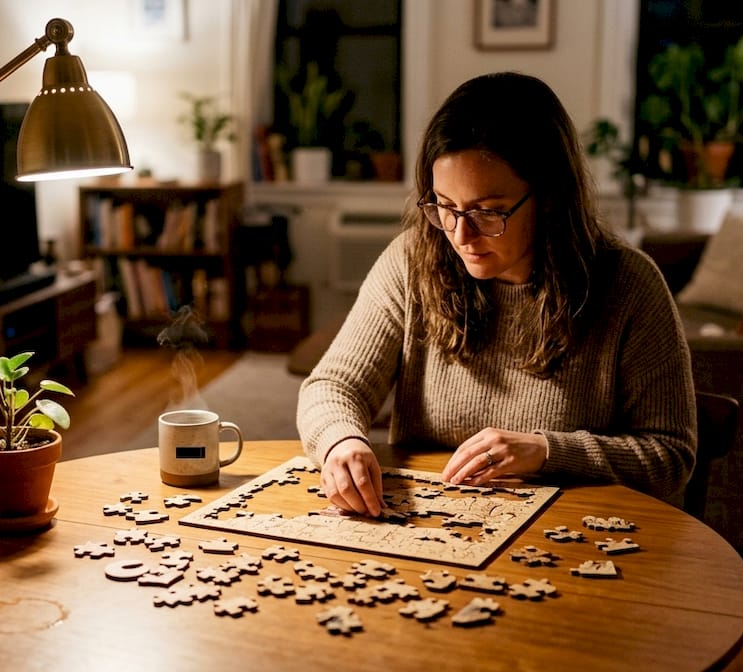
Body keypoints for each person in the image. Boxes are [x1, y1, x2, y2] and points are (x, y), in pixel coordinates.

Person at [296, 72, 696, 516]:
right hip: (431, 532)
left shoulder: (629, 285)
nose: (461, 234)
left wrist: (547, 451)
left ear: (547, 197)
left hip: (572, 539)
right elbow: (333, 385)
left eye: (488, 212)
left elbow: (669, 456)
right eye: (445, 207)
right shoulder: (412, 260)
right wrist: (342, 441)